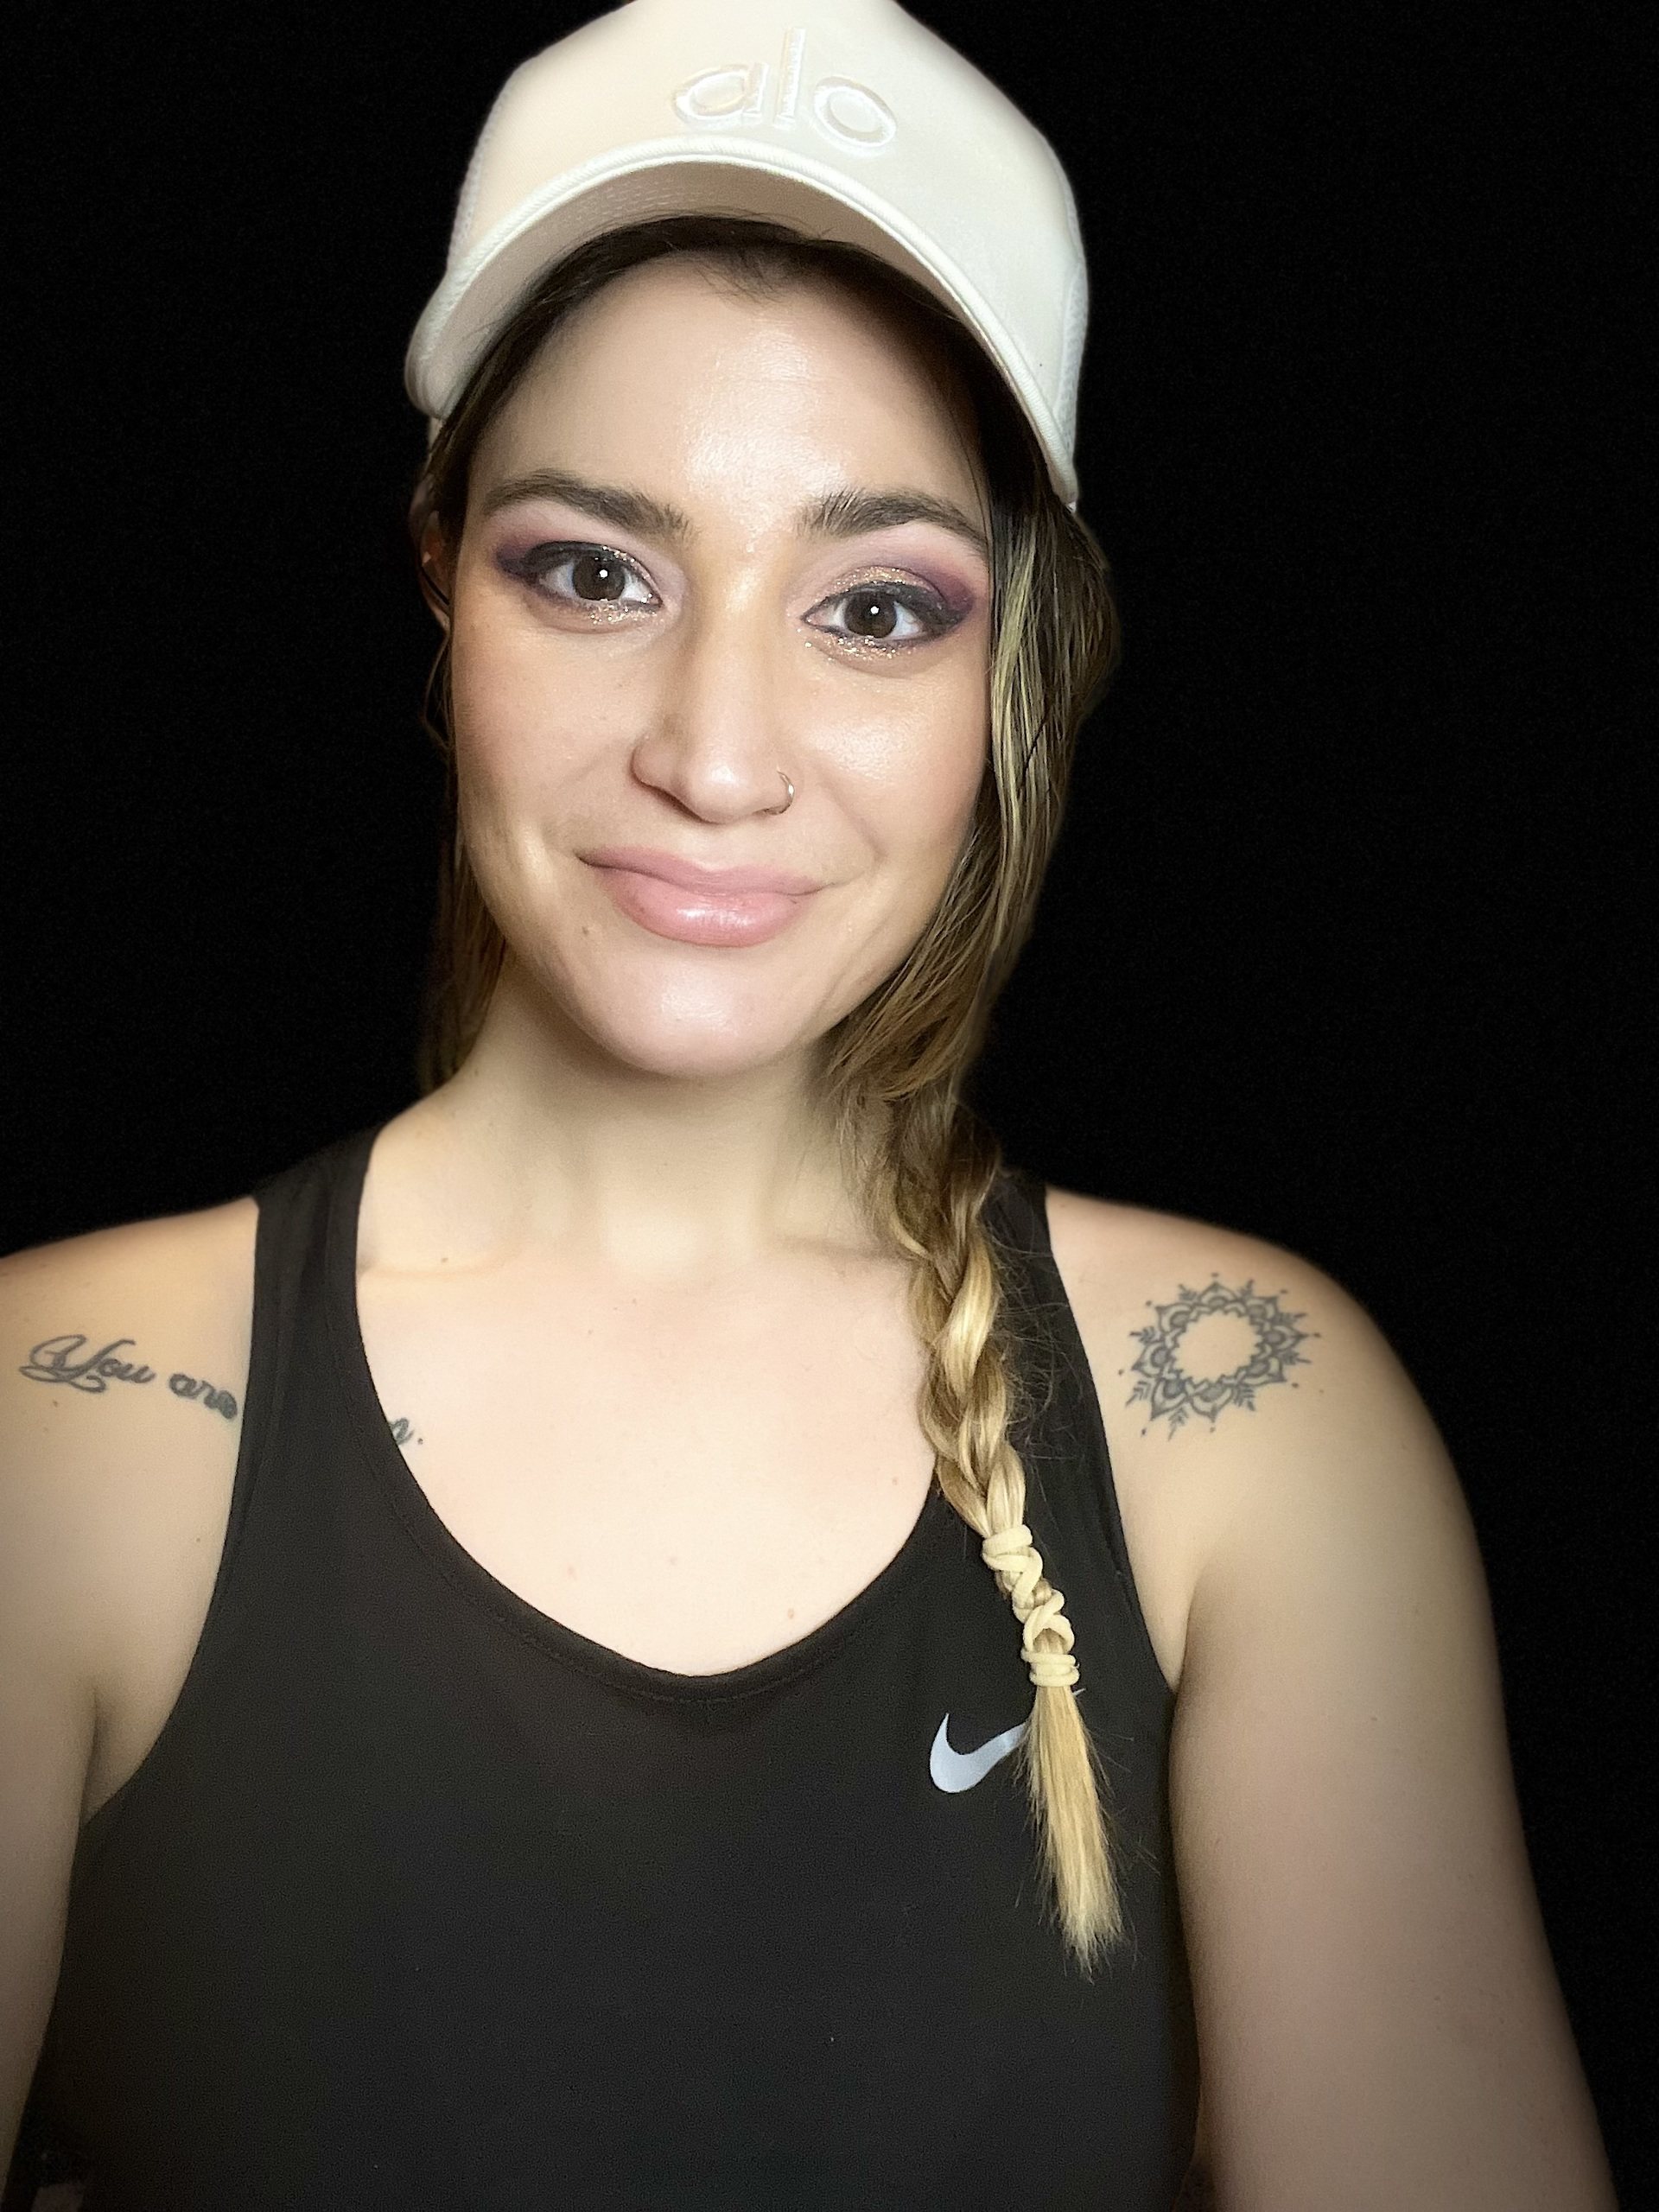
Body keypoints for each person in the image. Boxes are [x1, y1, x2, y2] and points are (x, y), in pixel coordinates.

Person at [0, 2, 1618, 2207]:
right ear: (441, 580)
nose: (718, 749)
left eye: (874, 606)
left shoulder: (1240, 1417)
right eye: (594, 570)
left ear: (1007, 672)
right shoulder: (63, 1425)